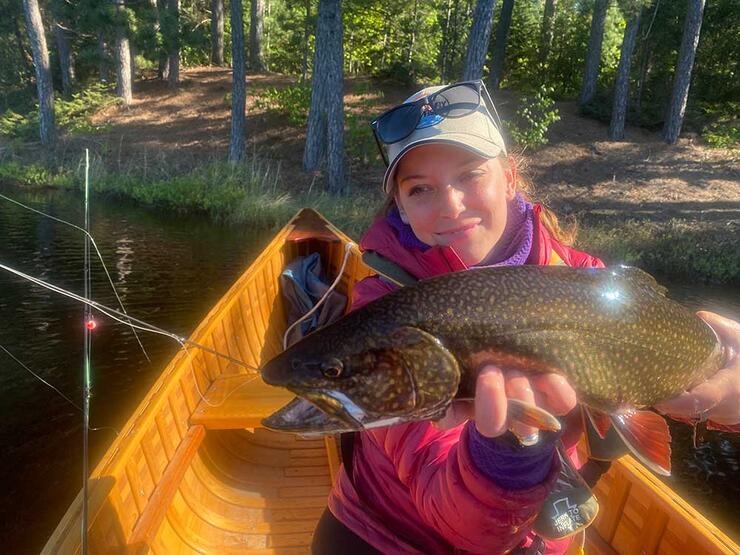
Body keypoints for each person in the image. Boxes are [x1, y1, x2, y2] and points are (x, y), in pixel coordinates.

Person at [311, 80, 740, 555]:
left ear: (510, 176)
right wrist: (509, 452)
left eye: (470, 175)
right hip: (387, 539)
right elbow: (461, 521)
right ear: (402, 207)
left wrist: (727, 406)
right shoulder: (384, 312)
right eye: (420, 189)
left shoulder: (587, 279)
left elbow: (688, 375)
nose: (450, 205)